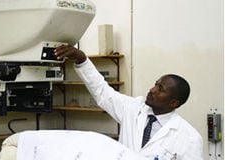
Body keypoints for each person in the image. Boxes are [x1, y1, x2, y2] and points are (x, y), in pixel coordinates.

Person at [54, 45, 203, 160]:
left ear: (174, 103)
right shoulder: (133, 109)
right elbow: (103, 92)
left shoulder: (189, 137)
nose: (152, 89)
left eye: (161, 89)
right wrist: (82, 60)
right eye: (155, 84)